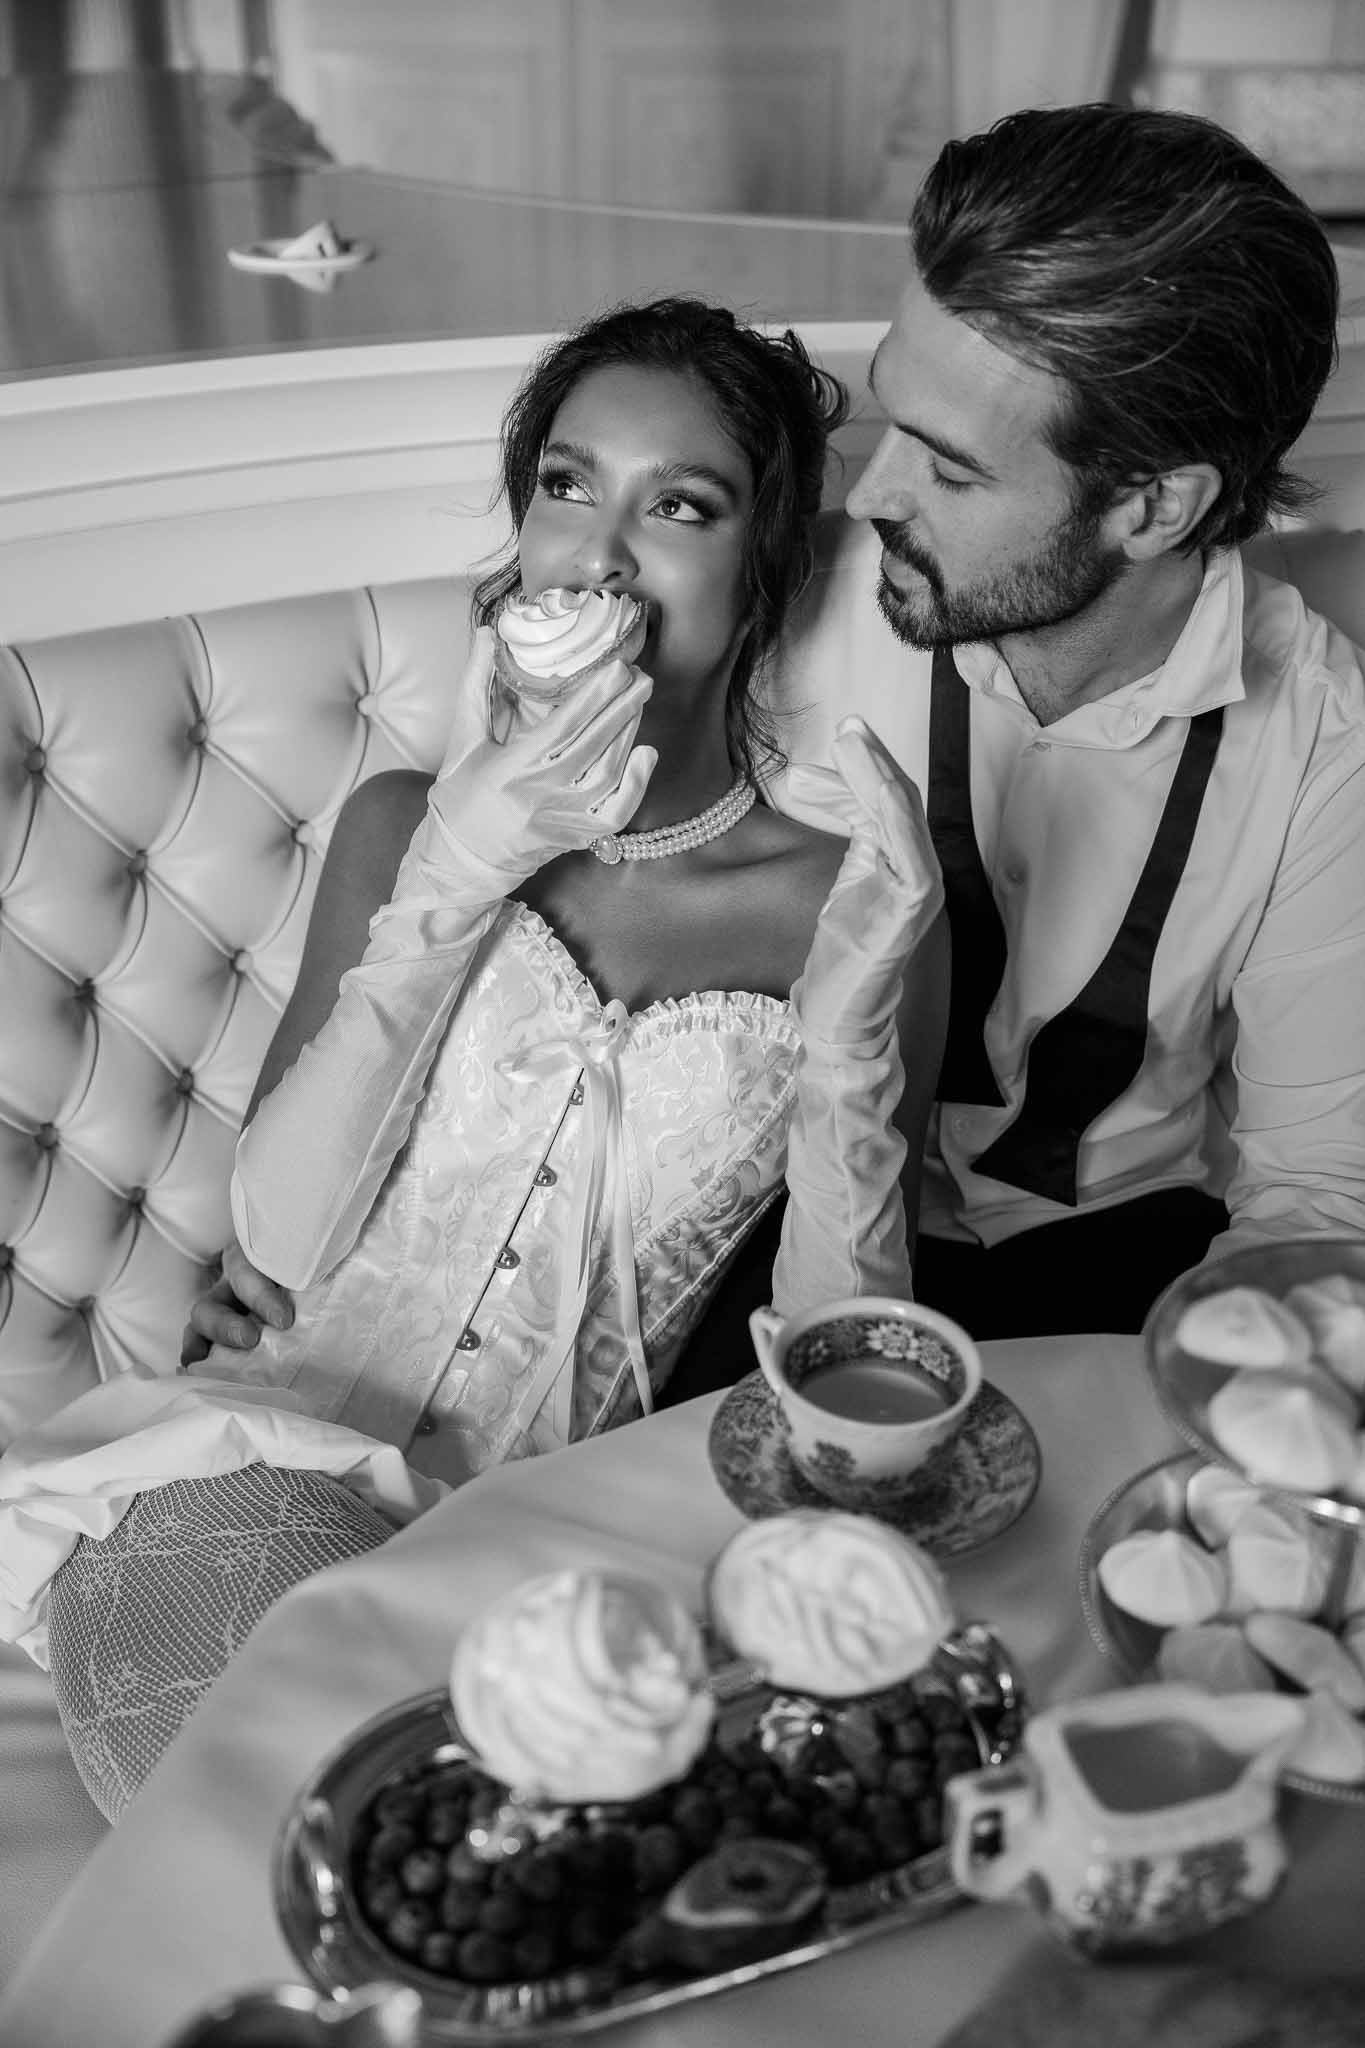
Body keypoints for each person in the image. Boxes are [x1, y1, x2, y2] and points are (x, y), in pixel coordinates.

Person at [0, 297, 948, 1818]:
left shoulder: (849, 899)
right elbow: (284, 1239)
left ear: (763, 568)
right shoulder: (400, 825)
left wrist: (847, 1050)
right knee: (273, 1781)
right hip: (256, 1469)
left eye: (680, 508)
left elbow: (844, 1367)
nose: (603, 552)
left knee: (543, 1830)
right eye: (568, 486)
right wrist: (457, 868)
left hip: (567, 1532)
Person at [766, 102, 1364, 1339]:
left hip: (1122, 1277)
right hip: (774, 1244)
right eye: (891, 415)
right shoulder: (786, 600)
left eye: (952, 465)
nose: (871, 493)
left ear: (1152, 506)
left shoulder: (1323, 743)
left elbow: (1314, 1198)